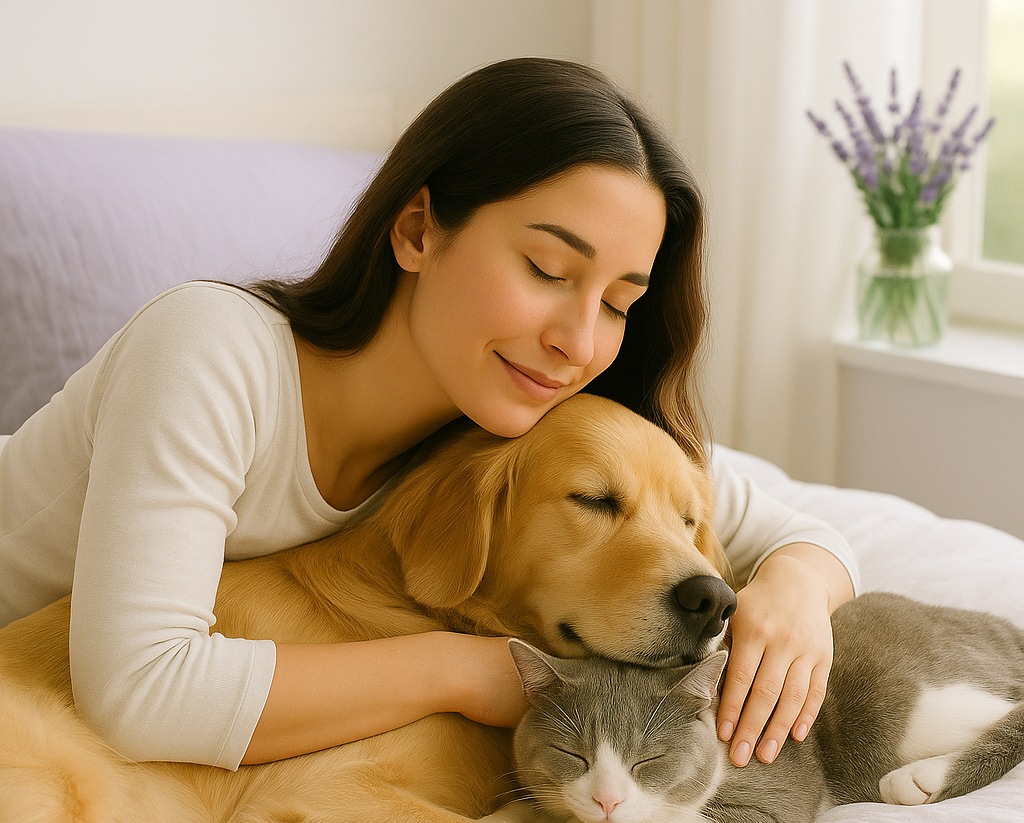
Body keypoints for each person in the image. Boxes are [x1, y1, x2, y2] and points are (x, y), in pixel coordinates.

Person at [0, 57, 856, 773]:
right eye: (548, 268)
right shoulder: (211, 350)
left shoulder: (508, 414)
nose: (577, 340)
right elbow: (142, 694)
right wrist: (470, 672)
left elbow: (796, 531)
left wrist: (796, 591)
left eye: (619, 303)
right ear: (417, 230)